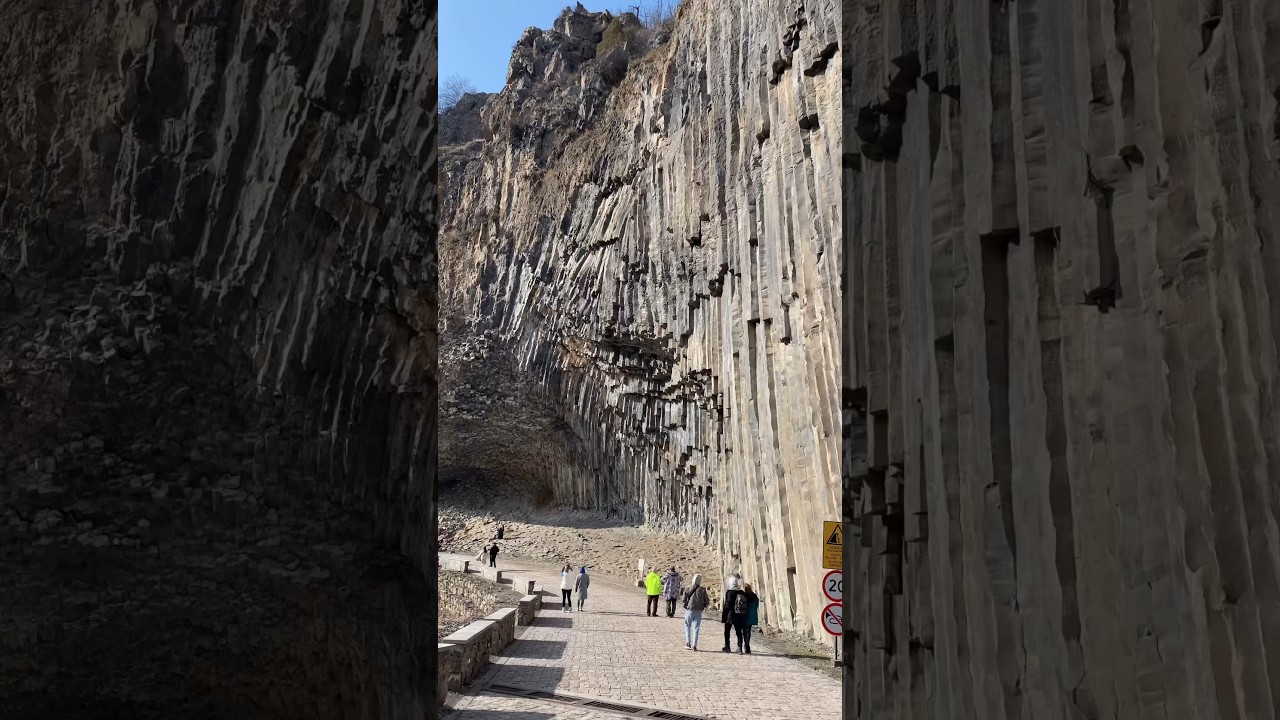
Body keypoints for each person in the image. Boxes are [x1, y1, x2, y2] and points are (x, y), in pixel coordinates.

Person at [681, 573, 711, 650]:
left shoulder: (688, 588)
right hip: (698, 611)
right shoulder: (702, 590)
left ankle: (688, 643)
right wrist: (703, 606)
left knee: (687, 626)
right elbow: (707, 601)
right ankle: (694, 644)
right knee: (696, 628)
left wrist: (686, 604)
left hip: (689, 609)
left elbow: (683, 599)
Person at [732, 582, 760, 654]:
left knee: (743, 631)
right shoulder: (754, 596)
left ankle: (740, 647)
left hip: (744, 615)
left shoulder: (743, 596)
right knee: (748, 631)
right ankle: (747, 646)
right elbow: (757, 605)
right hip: (752, 616)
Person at [721, 575, 742, 652]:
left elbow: (727, 605)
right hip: (739, 614)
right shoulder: (741, 592)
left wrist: (724, 614)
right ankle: (739, 647)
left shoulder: (730, 593)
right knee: (739, 631)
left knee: (727, 631)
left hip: (730, 615)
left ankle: (727, 646)